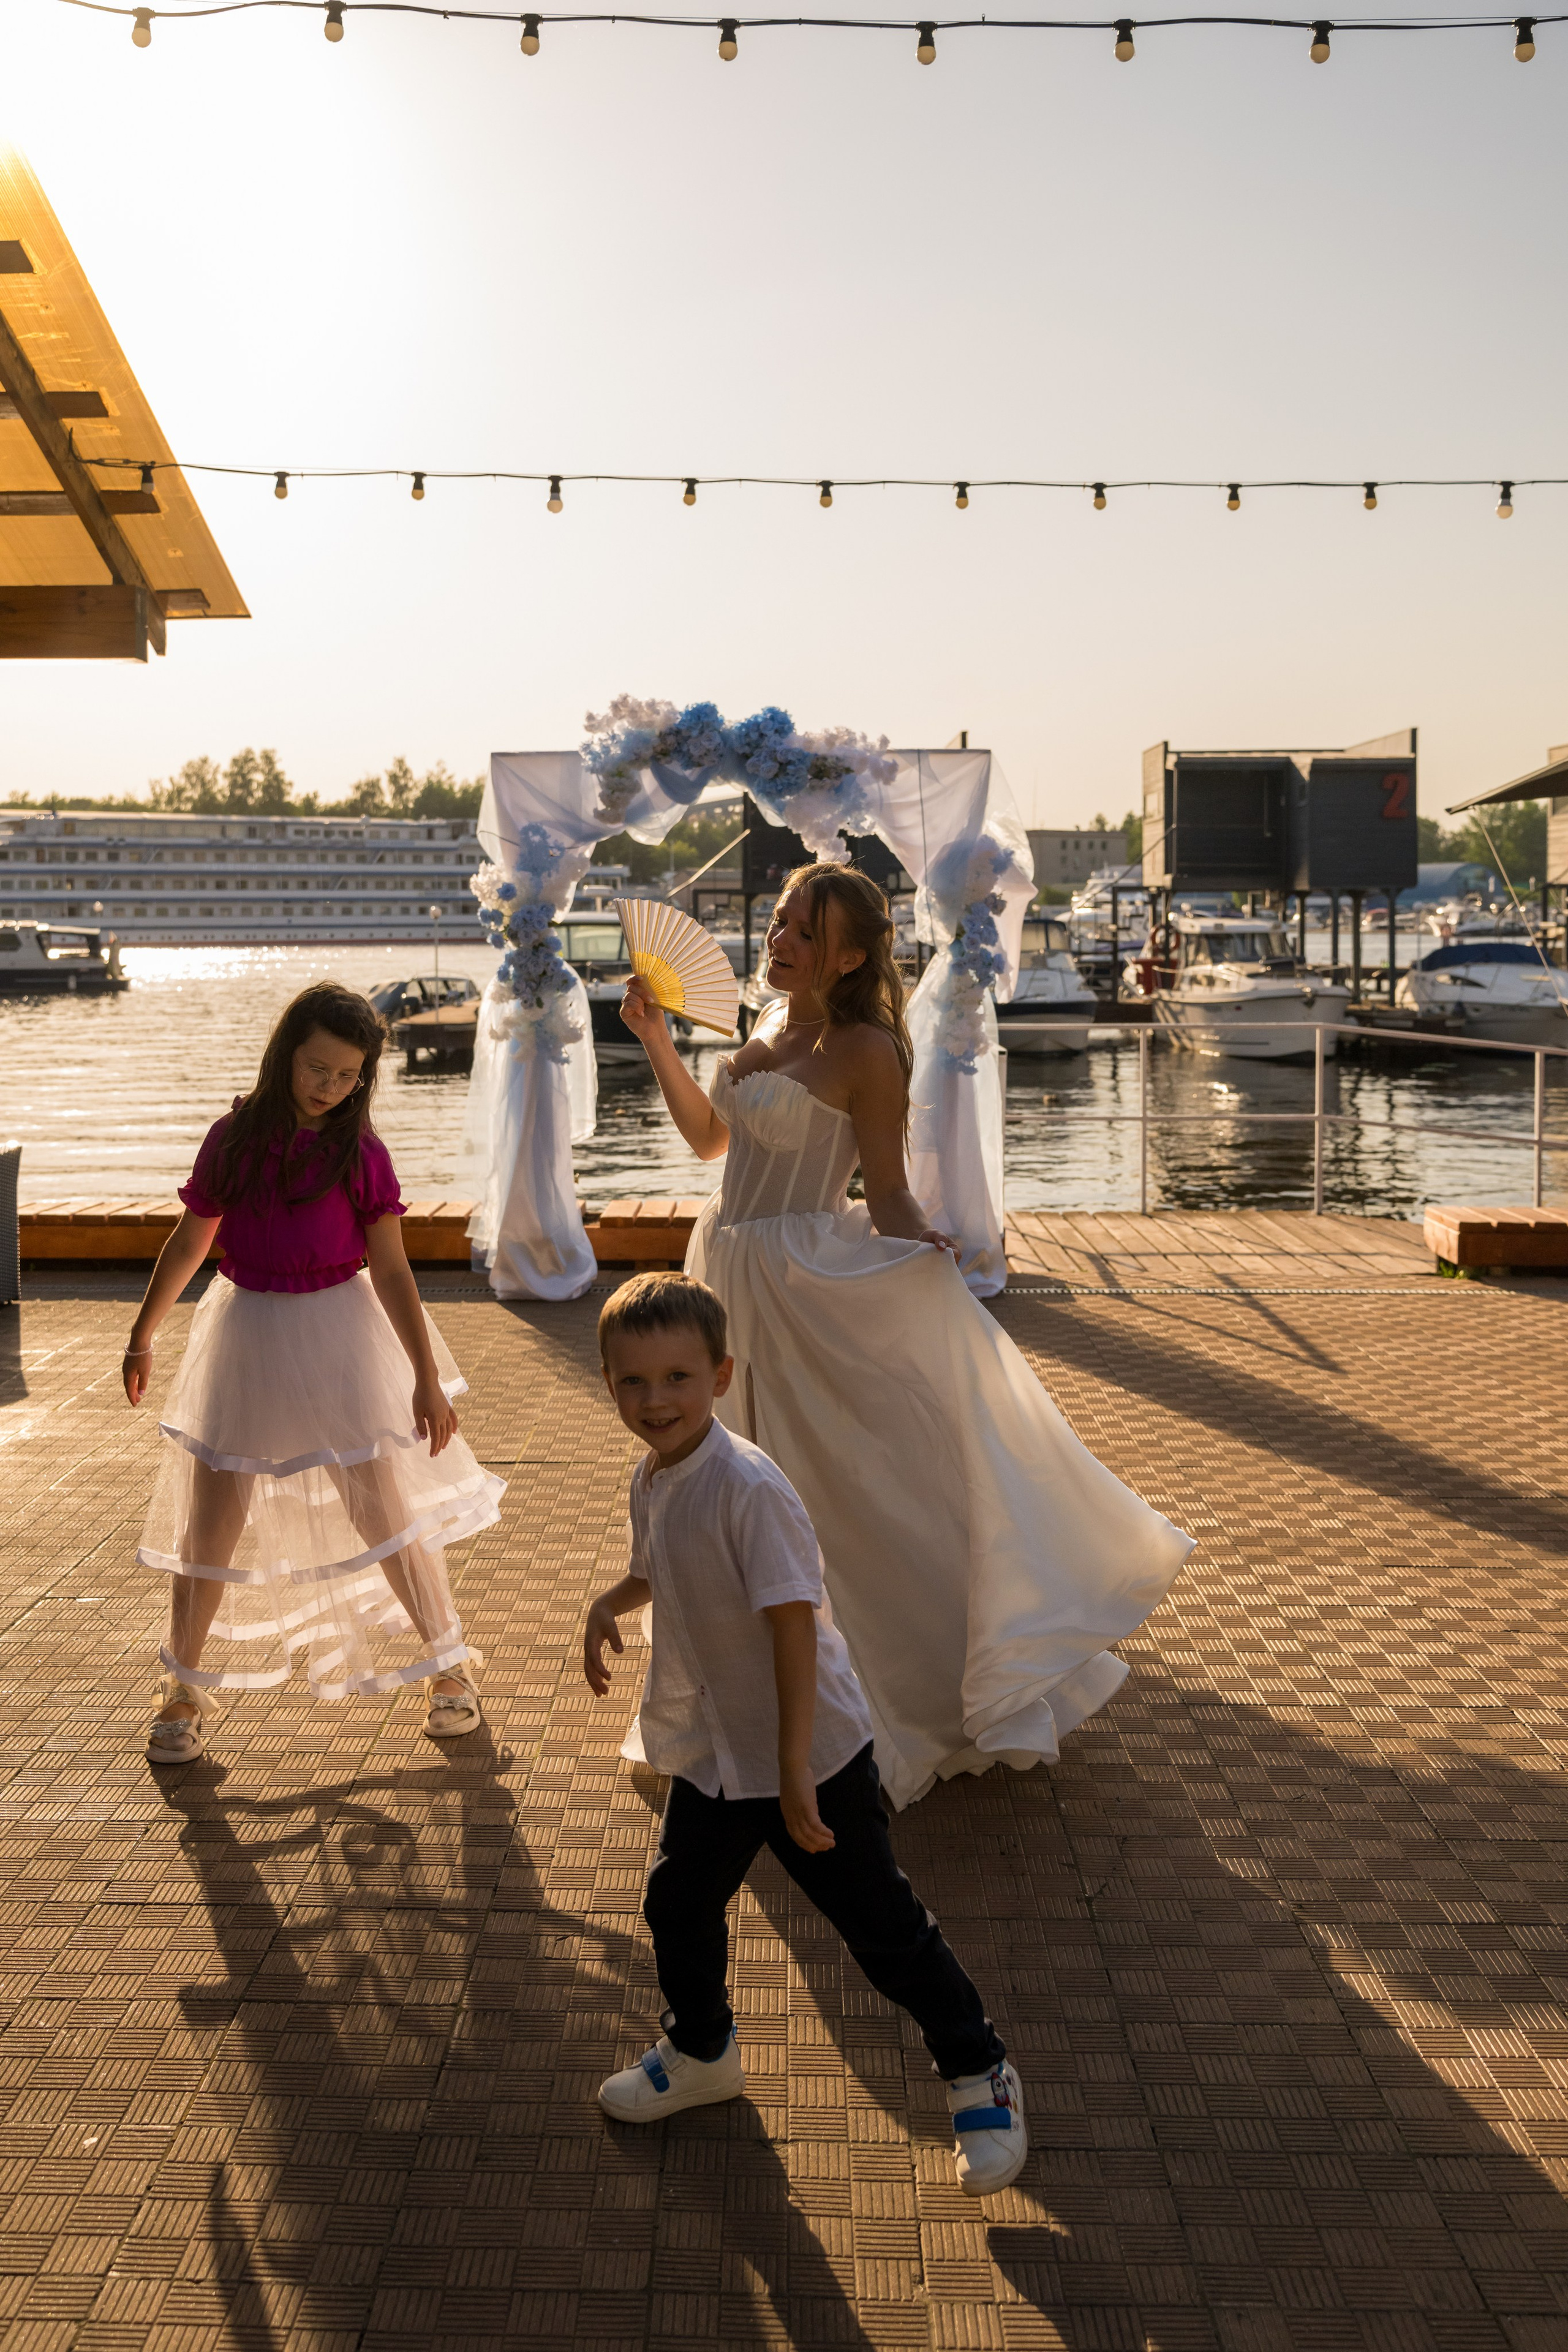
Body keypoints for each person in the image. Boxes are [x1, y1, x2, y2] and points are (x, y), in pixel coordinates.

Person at [619, 861, 1193, 1811]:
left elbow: (881, 1185)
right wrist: (655, 1040)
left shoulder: (868, 1051)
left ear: (848, 952)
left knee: (823, 1484)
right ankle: (742, 1697)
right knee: (727, 1476)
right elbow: (710, 1145)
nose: (780, 938)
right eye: (780, 920)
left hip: (803, 1281)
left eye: (802, 928)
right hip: (723, 1267)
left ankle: (880, 1695)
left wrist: (920, 1243)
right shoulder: (766, 1024)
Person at [583, 1272, 1028, 2196]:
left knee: (880, 1927)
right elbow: (658, 1561)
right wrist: (609, 1601)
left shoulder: (750, 1488)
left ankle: (979, 2067)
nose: (655, 1400)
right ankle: (702, 2049)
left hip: (807, 1755)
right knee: (677, 1903)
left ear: (722, 1374)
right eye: (633, 1382)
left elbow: (791, 1624)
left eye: (676, 1377)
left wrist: (793, 1769)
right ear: (610, 1383)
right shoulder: (655, 1474)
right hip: (716, 1751)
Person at [124, 981, 502, 1763]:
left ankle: (447, 1668)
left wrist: (425, 1378)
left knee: (379, 1509)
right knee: (213, 1521)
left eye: (347, 1077)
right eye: (317, 1068)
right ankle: (183, 1687)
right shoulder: (232, 1137)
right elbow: (191, 1241)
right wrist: (142, 1331)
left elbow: (394, 1272)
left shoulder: (358, 1152)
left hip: (339, 1330)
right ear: (285, 1053)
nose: (330, 1087)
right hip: (246, 1332)